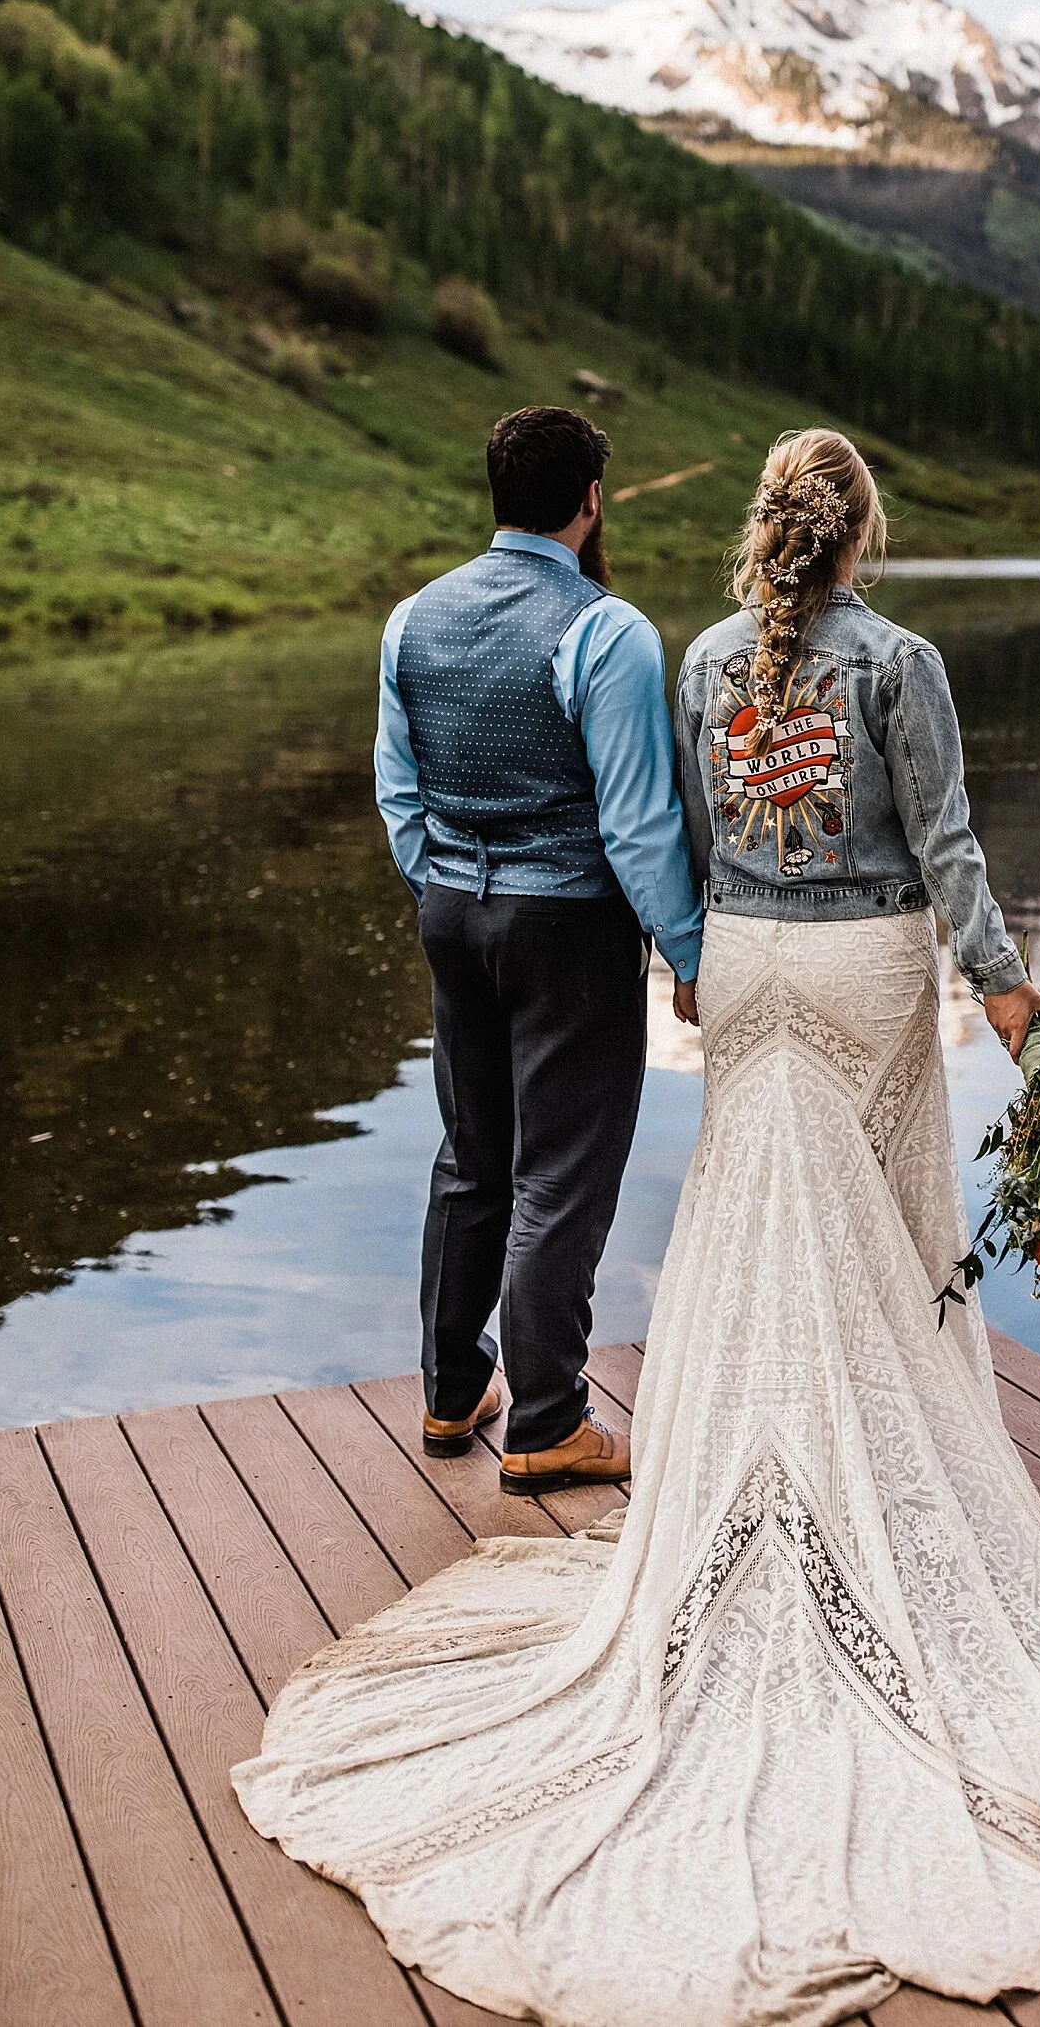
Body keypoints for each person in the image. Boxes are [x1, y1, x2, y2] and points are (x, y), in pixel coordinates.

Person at [236, 427, 1040, 2027]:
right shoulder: (904, 665)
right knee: (882, 1234)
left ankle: (720, 1479)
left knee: (747, 1228)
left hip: (739, 969)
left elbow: (692, 823)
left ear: (762, 534)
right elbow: (945, 852)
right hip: (866, 975)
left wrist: (685, 957)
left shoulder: (709, 655)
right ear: (863, 531)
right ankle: (892, 1499)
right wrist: (1015, 998)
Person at [372, 403, 703, 1492]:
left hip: (454, 917)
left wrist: (447, 880)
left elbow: (399, 790)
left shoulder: (412, 617)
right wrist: (689, 950)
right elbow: (638, 825)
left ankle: (450, 1390)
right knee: (559, 1175)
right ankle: (549, 1419)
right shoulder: (607, 631)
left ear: (498, 493)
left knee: (473, 1158)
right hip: (567, 928)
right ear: (590, 500)